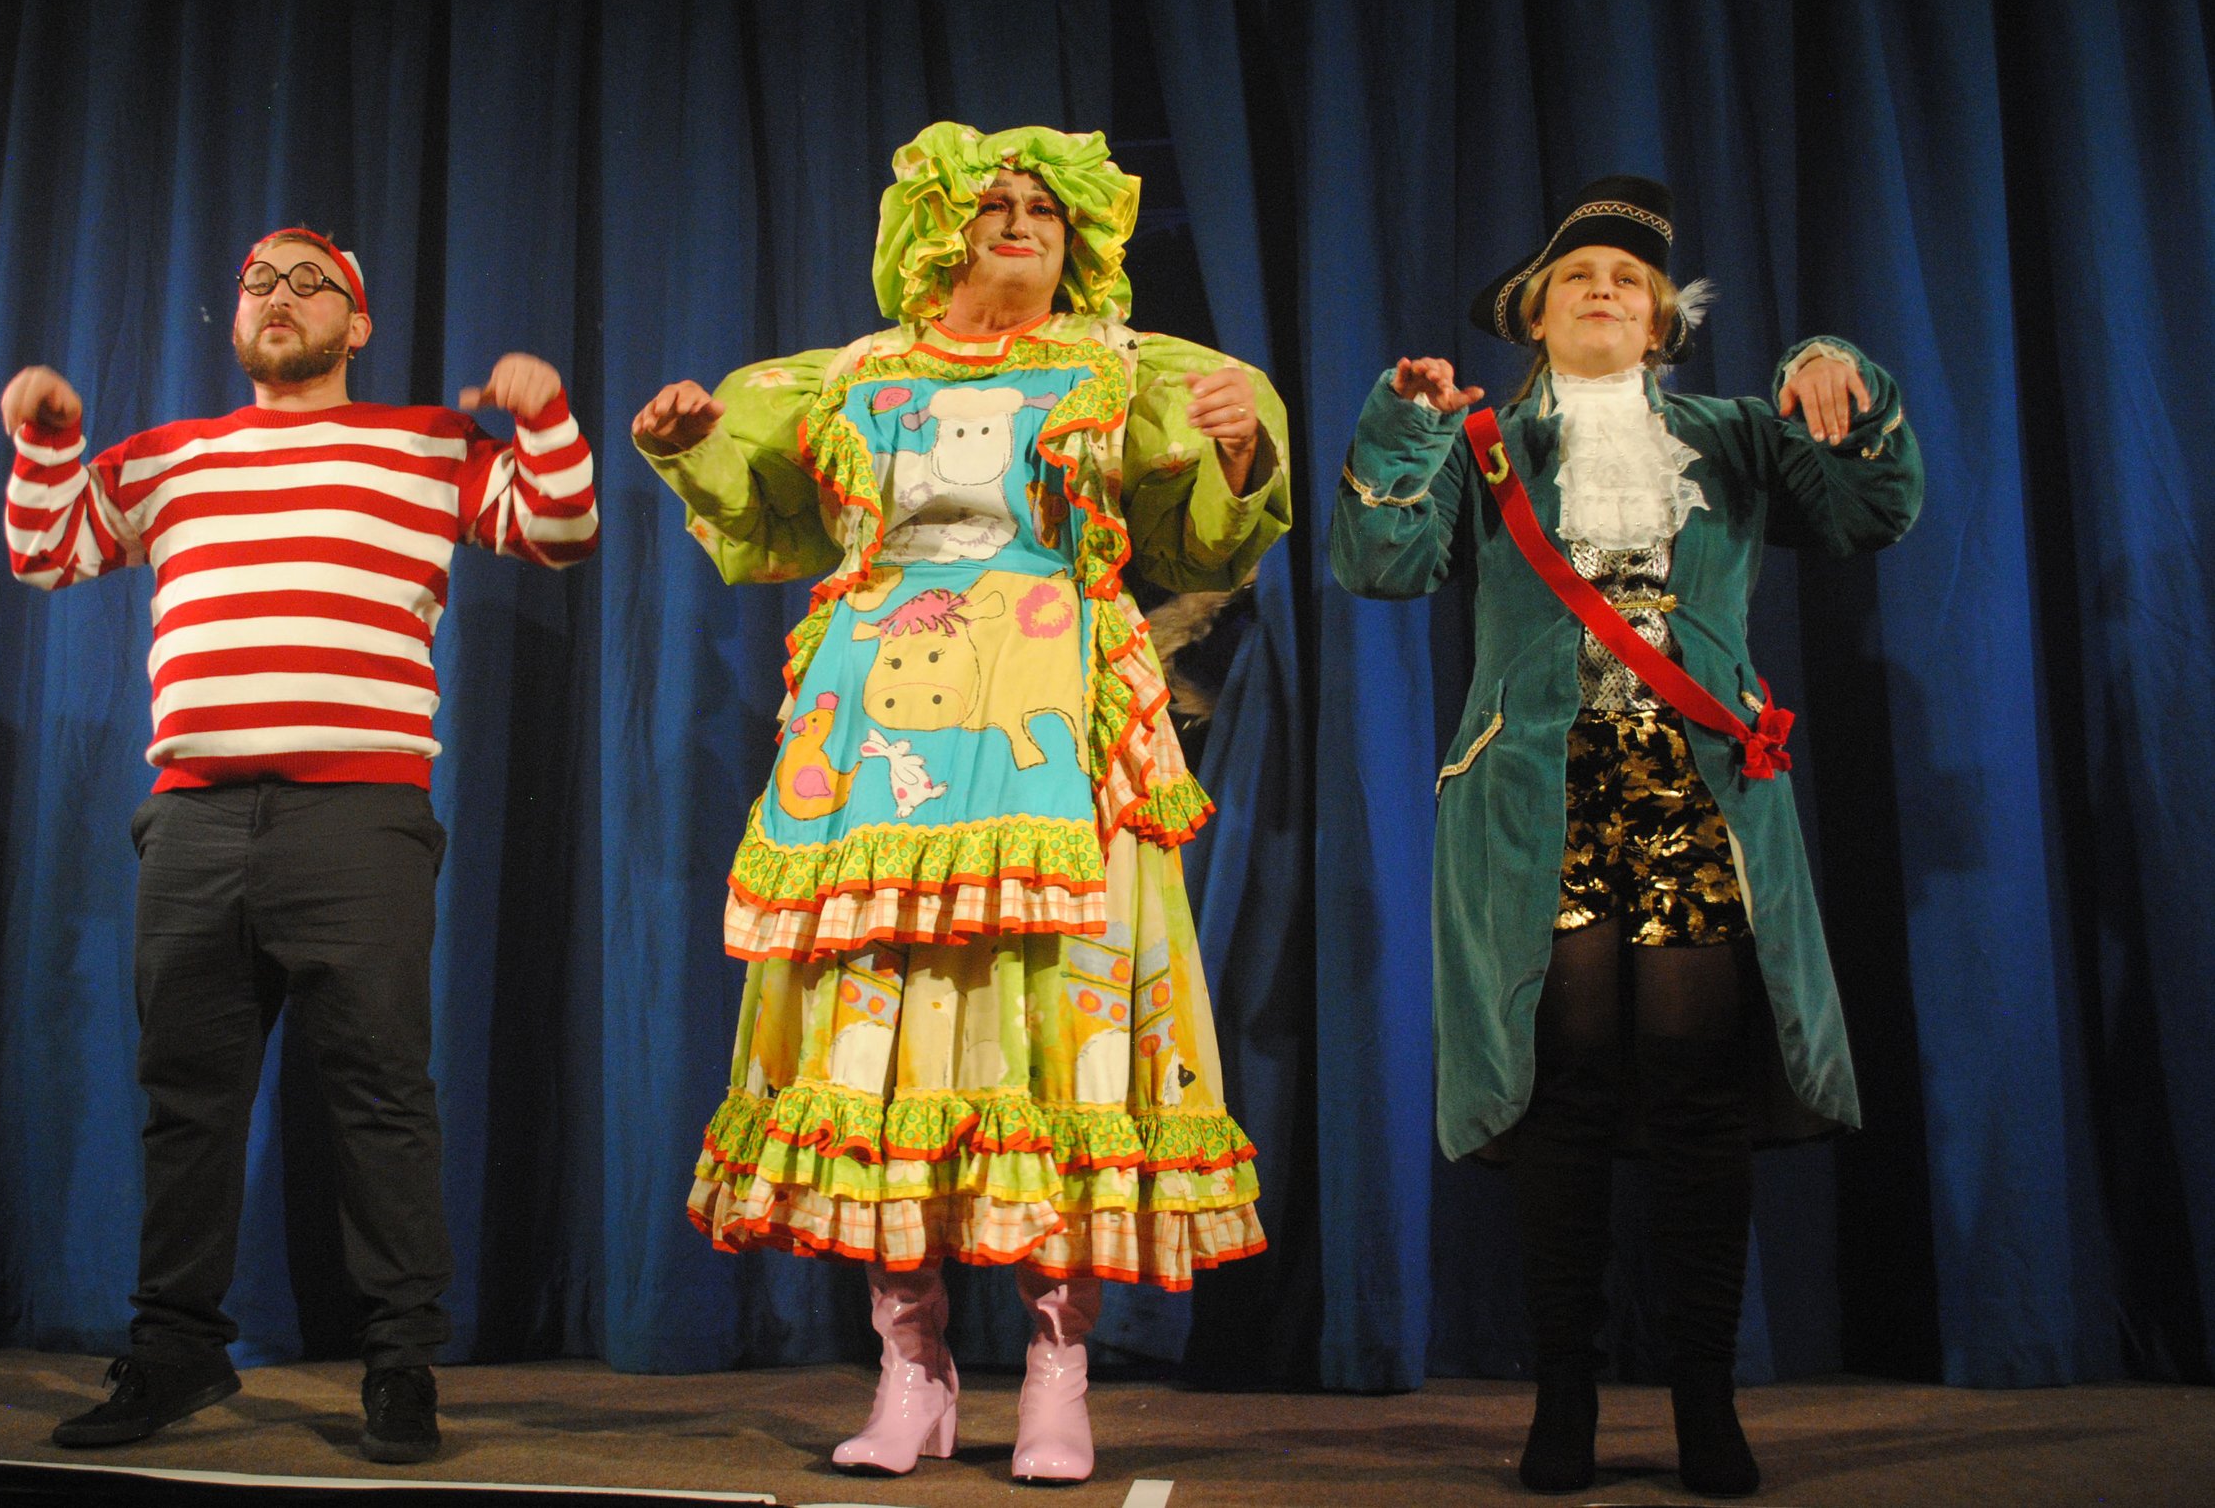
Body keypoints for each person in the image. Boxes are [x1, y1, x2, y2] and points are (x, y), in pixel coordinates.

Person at [633, 124, 1285, 1484]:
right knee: (887, 1032)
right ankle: (911, 1361)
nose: (1018, 219)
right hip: (880, 736)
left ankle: (1057, 1363)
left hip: (1055, 721)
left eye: (1045, 205)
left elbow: (1205, 527)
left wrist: (1235, 455)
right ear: (935, 229)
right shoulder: (853, 376)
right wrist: (692, 443)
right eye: (989, 201)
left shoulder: (1121, 366)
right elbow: (761, 501)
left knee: (1056, 1022)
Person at [1329, 177, 1922, 1497]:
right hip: (1538, 796)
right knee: (1568, 1091)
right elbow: (1379, 566)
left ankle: (1707, 1402)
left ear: (1662, 322)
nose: (1604, 288)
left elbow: (1870, 514)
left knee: (1696, 1087)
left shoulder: (1726, 434)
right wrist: (1401, 429)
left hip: (1697, 791)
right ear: (1533, 317)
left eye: (1630, 279)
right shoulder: (1490, 442)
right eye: (1576, 275)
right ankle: (1565, 1405)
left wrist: (1848, 377)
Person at [2, 227, 599, 1463]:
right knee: (188, 1105)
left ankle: (400, 1367)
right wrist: (49, 439)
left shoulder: (426, 444)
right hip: (197, 820)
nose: (278, 299)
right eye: (257, 284)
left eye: (308, 283)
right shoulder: (172, 455)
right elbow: (47, 550)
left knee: (380, 1096)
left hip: (357, 821)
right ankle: (175, 1357)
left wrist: (541, 411)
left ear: (357, 325)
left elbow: (559, 527)